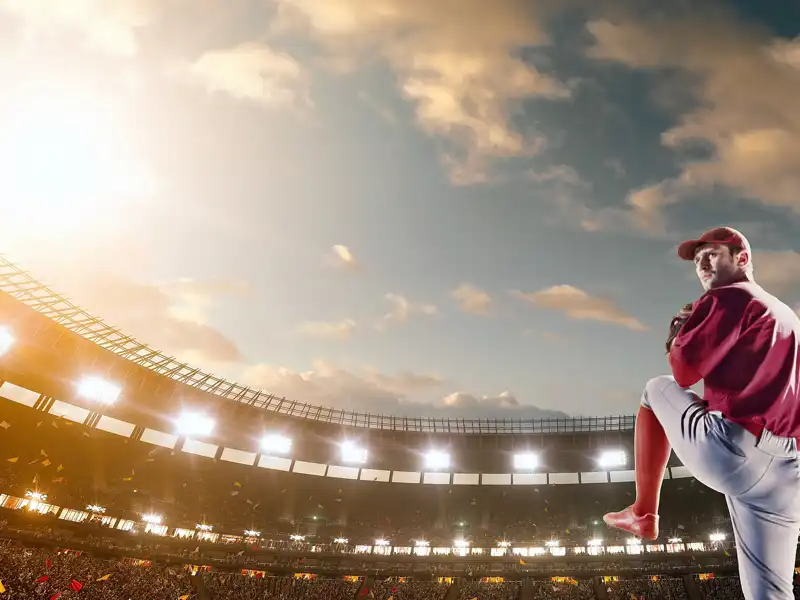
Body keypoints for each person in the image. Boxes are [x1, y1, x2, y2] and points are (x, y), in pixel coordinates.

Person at [603, 226, 800, 600]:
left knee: (655, 388)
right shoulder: (787, 316)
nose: (702, 263)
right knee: (769, 594)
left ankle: (644, 513)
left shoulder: (725, 297)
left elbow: (684, 372)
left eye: (713, 254)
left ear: (742, 259)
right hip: (790, 467)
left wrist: (680, 332)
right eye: (697, 259)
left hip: (736, 450)